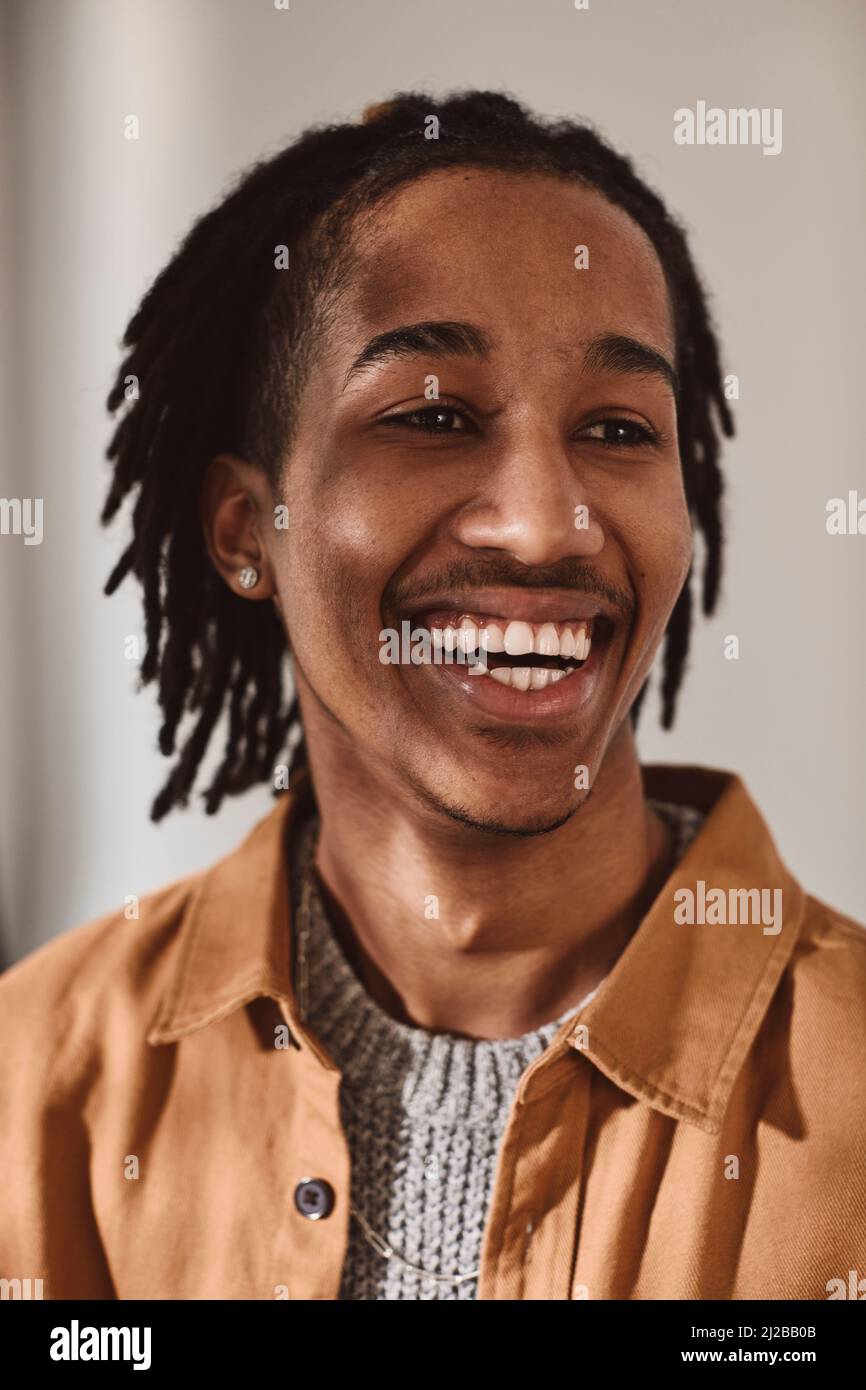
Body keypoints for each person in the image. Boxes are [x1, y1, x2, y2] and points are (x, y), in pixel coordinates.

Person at [1, 90, 864, 1302]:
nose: (542, 526)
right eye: (433, 416)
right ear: (248, 529)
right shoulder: (29, 1085)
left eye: (617, 429)